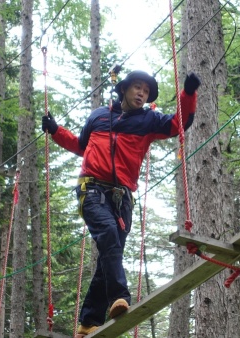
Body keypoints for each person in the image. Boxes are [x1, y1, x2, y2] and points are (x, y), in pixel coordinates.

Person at [42, 70, 201, 337]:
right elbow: (82, 145)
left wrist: (188, 93)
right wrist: (56, 131)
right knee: (107, 234)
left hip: (122, 197)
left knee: (109, 253)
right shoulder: (99, 116)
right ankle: (120, 294)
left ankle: (88, 322)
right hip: (91, 187)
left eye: (146, 91)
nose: (142, 93)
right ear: (124, 89)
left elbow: (178, 124)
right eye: (137, 88)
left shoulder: (149, 120)